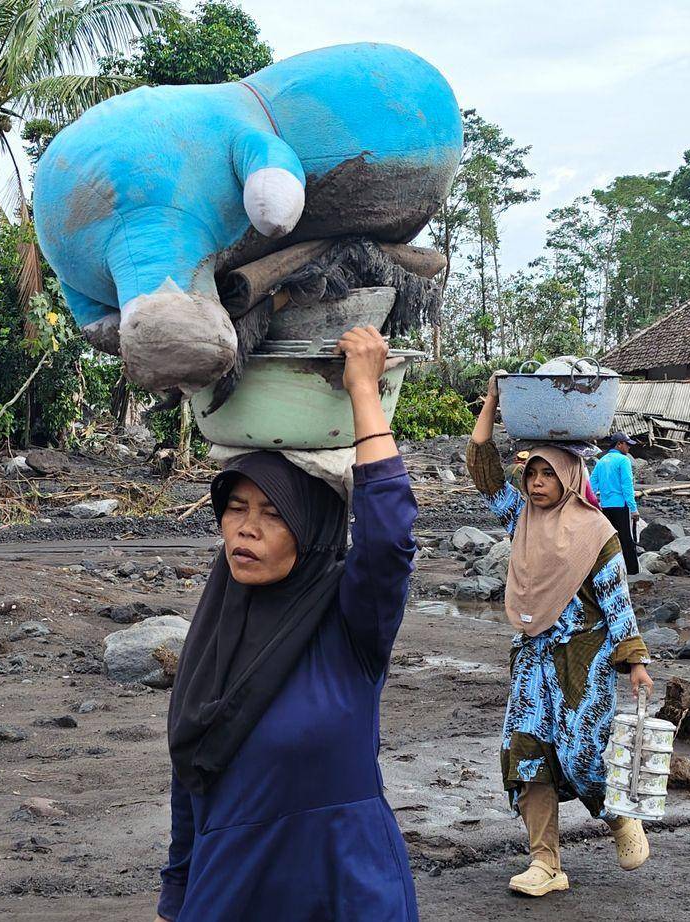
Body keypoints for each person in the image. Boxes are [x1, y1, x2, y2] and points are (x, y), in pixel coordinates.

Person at [158, 327, 418, 922]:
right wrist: (174, 899)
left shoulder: (352, 625)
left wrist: (363, 390)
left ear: (314, 528)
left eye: (274, 514)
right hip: (231, 890)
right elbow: (191, 776)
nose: (245, 530)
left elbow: (390, 532)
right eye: (235, 509)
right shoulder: (215, 633)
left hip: (342, 887)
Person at [472, 380, 653, 897]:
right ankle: (545, 863)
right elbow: (482, 469)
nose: (535, 482)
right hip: (533, 655)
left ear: (571, 475)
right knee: (526, 751)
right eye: (530, 472)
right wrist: (493, 401)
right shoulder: (520, 518)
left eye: (547, 472)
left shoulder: (597, 532)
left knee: (582, 753)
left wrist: (634, 660)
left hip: (585, 658)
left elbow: (617, 599)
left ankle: (619, 817)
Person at [589, 432, 640, 575]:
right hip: (621, 505)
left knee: (610, 539)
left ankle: (612, 570)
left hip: (605, 506)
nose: (629, 447)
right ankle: (632, 572)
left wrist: (592, 505)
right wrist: (633, 508)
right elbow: (627, 486)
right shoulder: (623, 460)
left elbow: (592, 486)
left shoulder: (602, 461)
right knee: (626, 539)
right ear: (619, 444)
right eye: (627, 444)